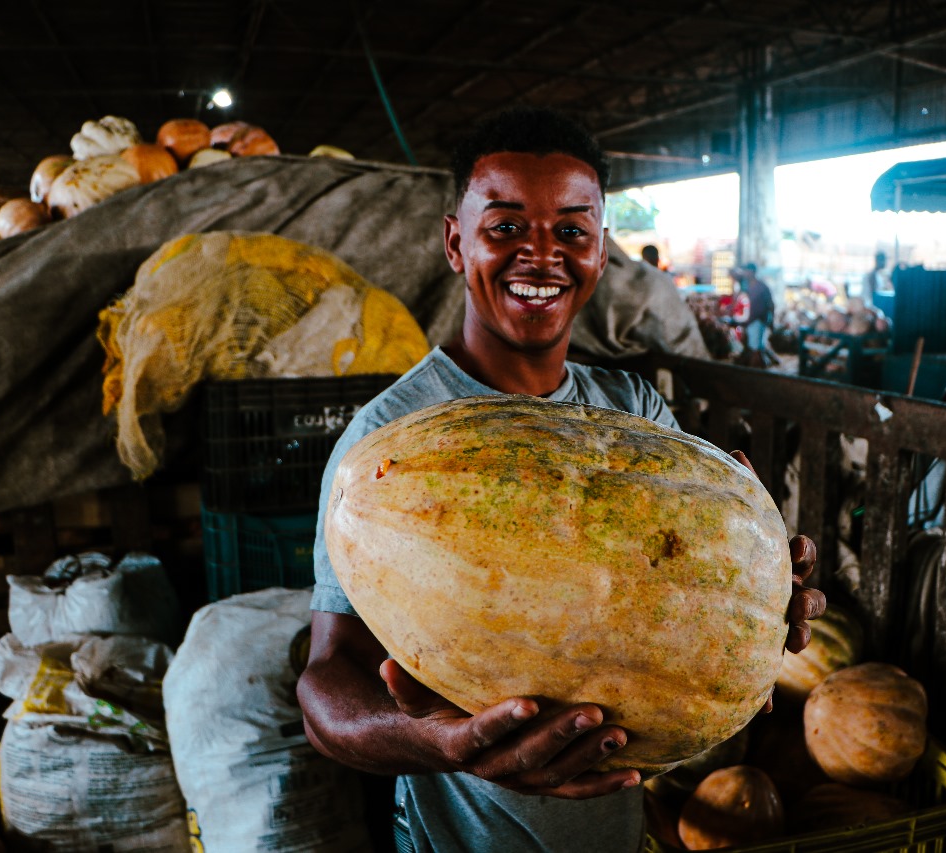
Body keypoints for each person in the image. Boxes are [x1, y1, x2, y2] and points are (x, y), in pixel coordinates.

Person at [298, 106, 825, 853]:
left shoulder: (633, 406)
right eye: (506, 227)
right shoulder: (383, 438)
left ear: (601, 251)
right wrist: (434, 741)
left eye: (571, 230)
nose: (541, 256)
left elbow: (688, 587)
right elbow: (325, 685)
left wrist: (764, 589)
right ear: (456, 242)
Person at [728, 263, 776, 367]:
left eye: (746, 271)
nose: (745, 273)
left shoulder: (761, 287)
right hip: (748, 322)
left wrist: (771, 322)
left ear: (752, 272)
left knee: (755, 350)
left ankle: (756, 372)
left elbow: (771, 305)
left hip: (757, 321)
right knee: (753, 348)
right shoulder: (746, 286)